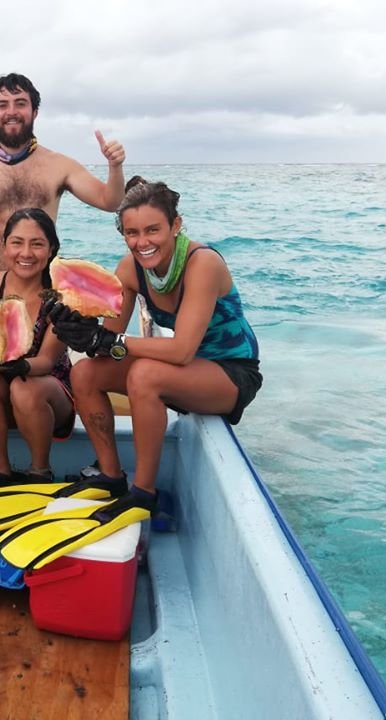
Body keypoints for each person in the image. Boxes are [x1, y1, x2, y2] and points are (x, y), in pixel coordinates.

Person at [47, 179, 263, 509]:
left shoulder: (202, 263)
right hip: (184, 370)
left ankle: (143, 493)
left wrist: (110, 340)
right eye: (132, 233)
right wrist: (76, 326)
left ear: (175, 225)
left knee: (144, 375)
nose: (142, 242)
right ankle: (111, 476)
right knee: (86, 374)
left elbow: (181, 350)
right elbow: (107, 343)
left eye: (153, 230)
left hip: (231, 372)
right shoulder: (130, 270)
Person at [0, 72, 127, 410]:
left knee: (39, 366)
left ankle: (39, 424)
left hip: (43, 285)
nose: (11, 111)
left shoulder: (58, 165)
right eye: (2, 105)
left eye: (20, 103)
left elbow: (110, 201)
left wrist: (115, 166)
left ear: (34, 111)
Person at [0, 208, 74, 484]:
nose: (25, 253)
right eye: (17, 242)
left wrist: (21, 365)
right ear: (4, 247)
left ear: (51, 249)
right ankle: (1, 470)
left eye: (37, 244)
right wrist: (2, 362)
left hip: (50, 391)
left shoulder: (63, 295)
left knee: (24, 386)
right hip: (2, 385)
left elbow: (48, 360)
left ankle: (40, 471)